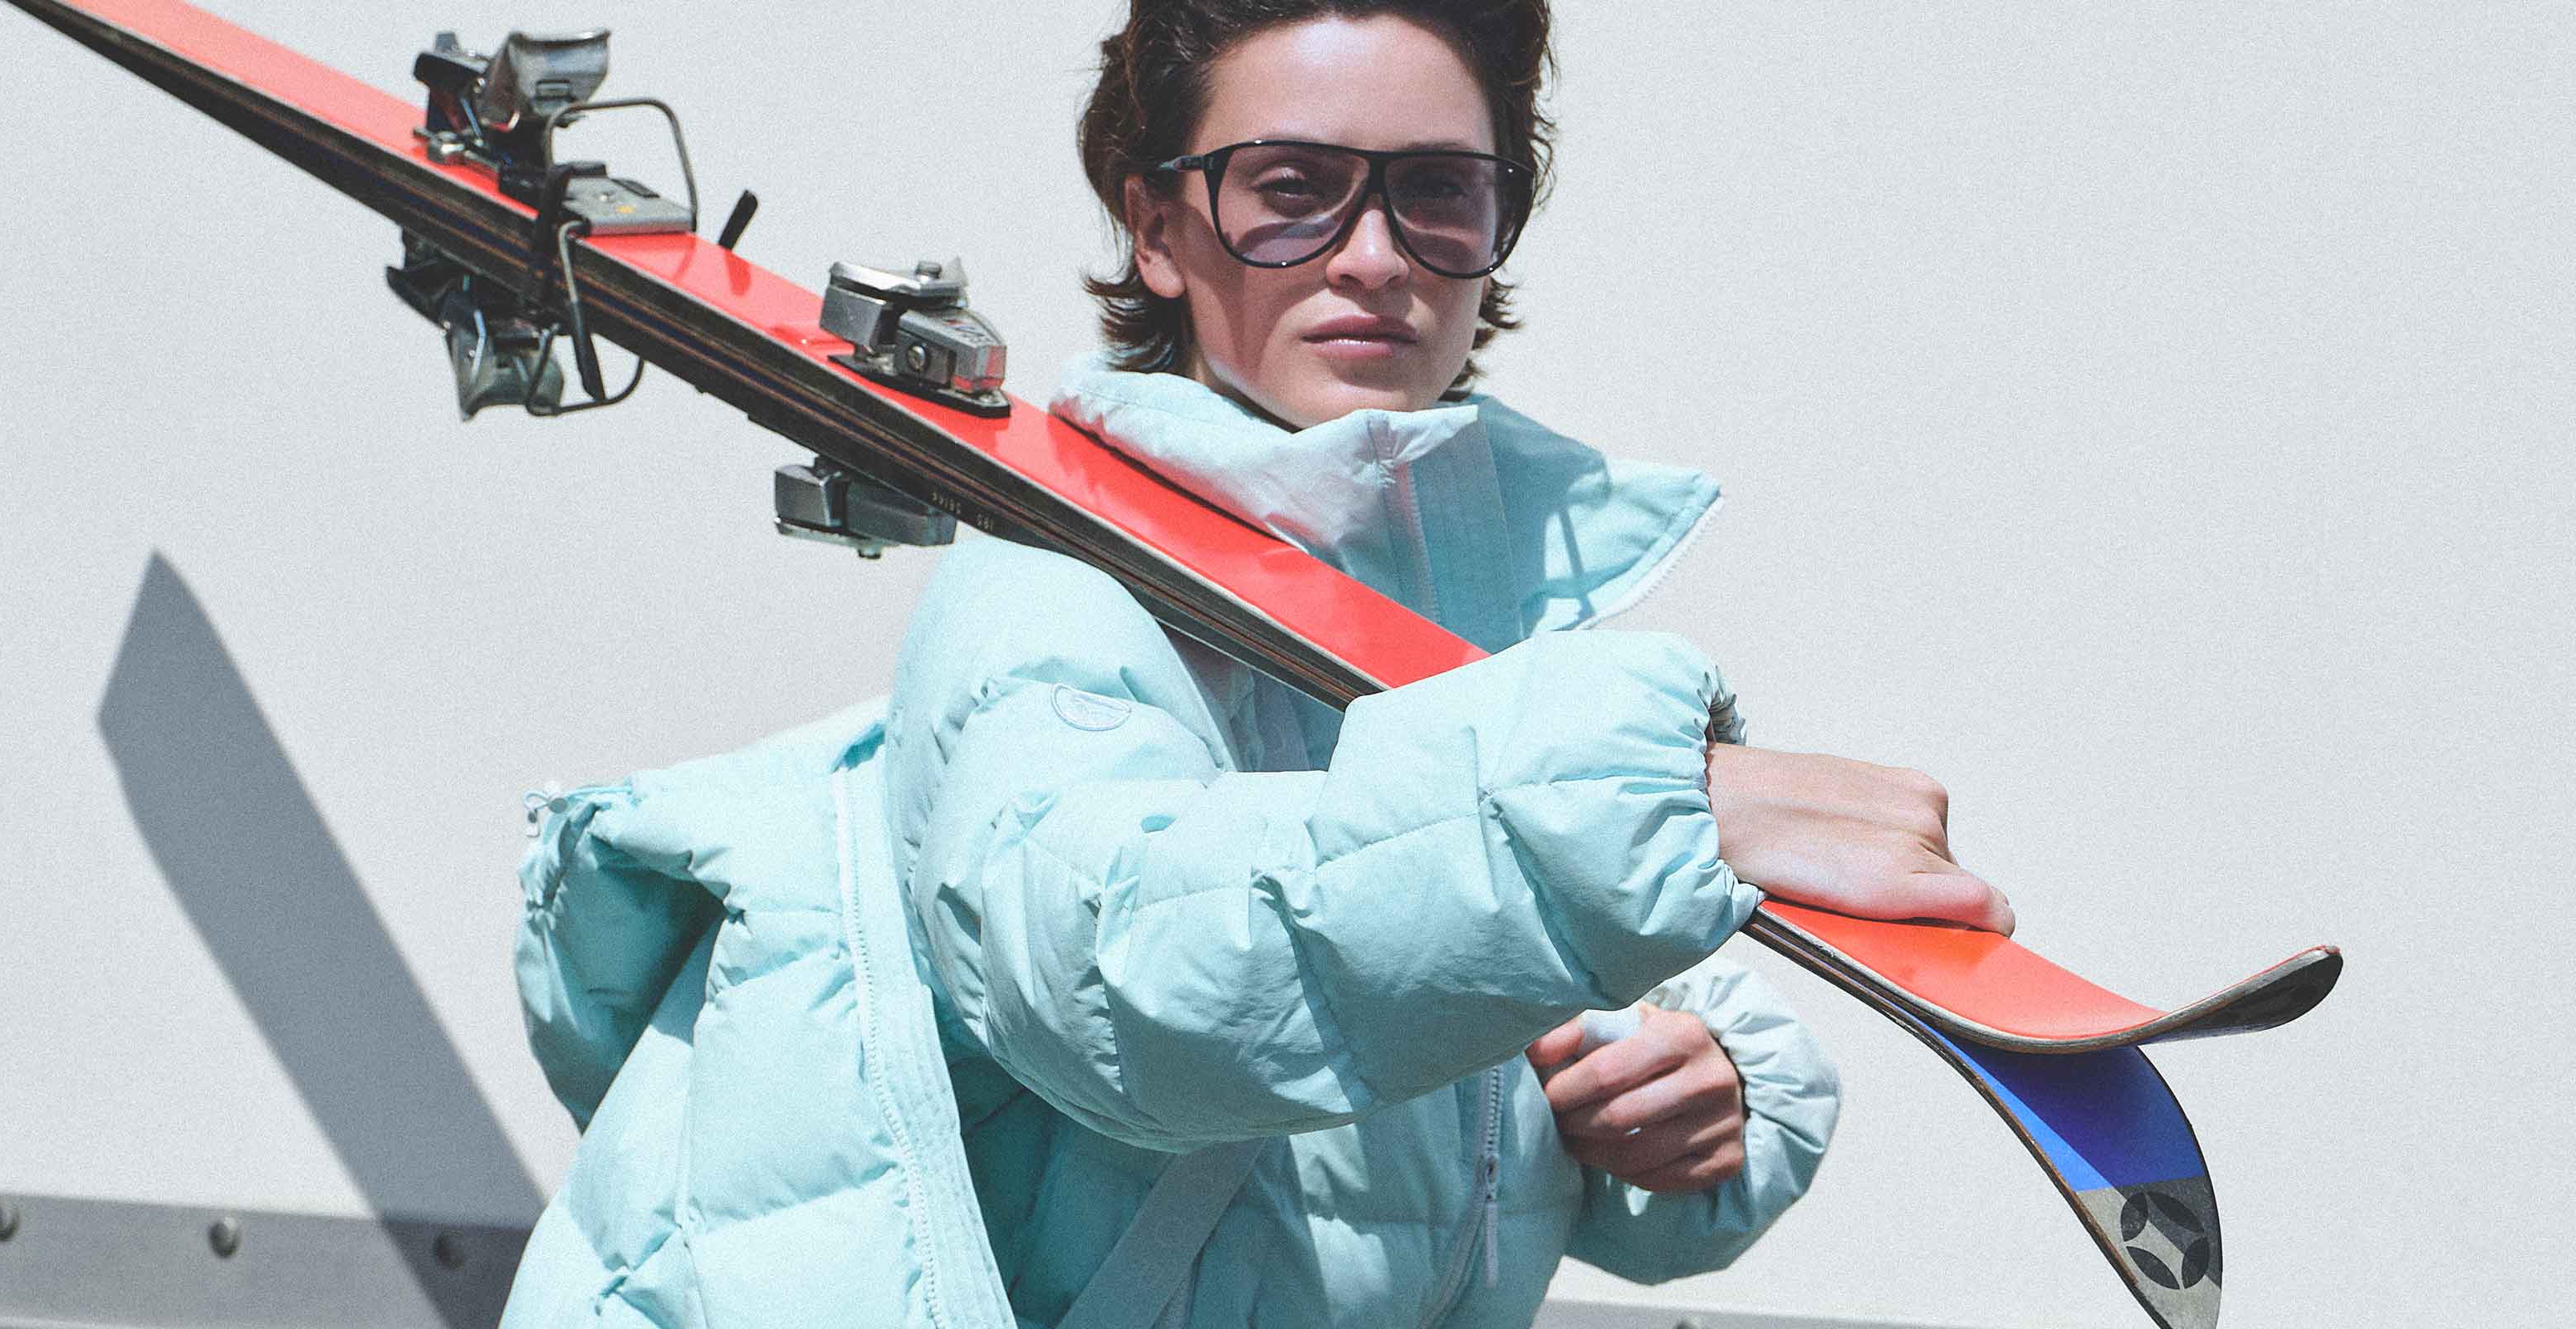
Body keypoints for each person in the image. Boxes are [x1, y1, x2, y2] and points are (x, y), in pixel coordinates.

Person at [502, 2, 2010, 1326]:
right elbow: (1119, 975)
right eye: (1290, 189)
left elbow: (1438, 1013)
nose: (1374, 256)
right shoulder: (1056, 584)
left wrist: (1694, 1083)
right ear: (1158, 230)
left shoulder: (1470, 610)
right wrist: (1639, 812)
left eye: (1439, 192)